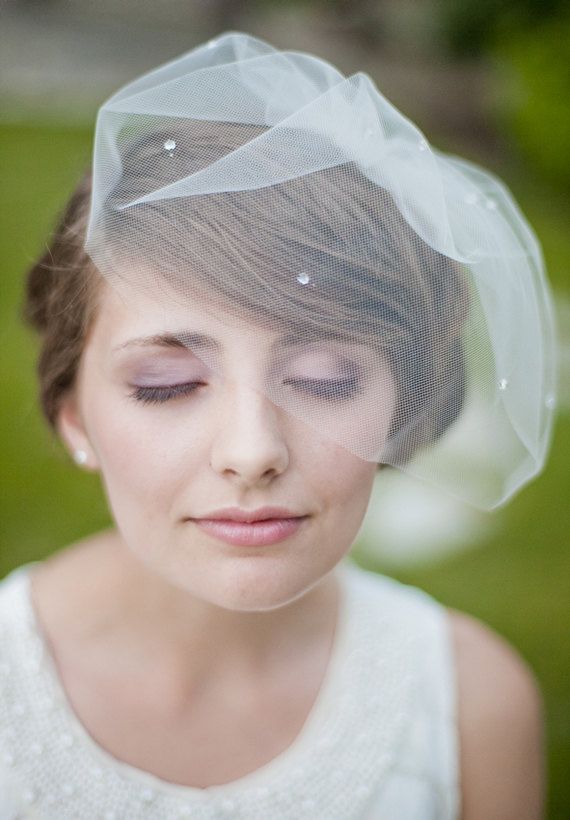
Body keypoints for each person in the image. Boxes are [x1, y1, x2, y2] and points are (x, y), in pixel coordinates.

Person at [0, 32, 552, 819]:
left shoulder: (472, 705)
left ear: (400, 403)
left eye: (323, 380)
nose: (253, 451)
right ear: (72, 415)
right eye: (167, 384)